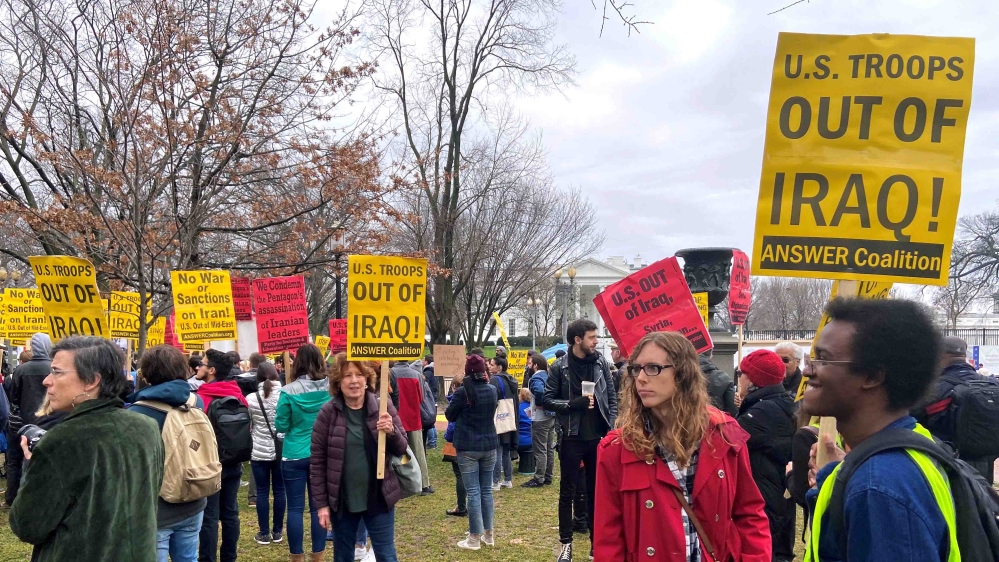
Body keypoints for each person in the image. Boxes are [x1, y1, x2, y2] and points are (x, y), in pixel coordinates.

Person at [593, 331, 771, 561]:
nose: (641, 378)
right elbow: (608, 538)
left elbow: (750, 514)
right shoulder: (617, 448)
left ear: (683, 373)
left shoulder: (724, 433)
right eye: (636, 369)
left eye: (653, 368)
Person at [803, 298, 955, 561]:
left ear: (872, 376)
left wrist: (862, 479)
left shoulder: (879, 487)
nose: (807, 370)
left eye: (823, 360)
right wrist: (844, 474)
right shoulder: (916, 444)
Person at [9, 336, 165, 562]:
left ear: (91, 380)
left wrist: (33, 467)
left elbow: (27, 525)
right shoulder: (146, 426)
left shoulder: (62, 441)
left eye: (57, 372)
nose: (46, 381)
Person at [311, 353, 409, 562]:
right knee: (343, 555)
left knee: (386, 554)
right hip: (343, 500)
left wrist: (391, 431)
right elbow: (317, 463)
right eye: (347, 375)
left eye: (358, 375)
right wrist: (321, 505)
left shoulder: (382, 407)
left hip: (378, 496)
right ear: (338, 381)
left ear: (367, 379)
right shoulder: (327, 413)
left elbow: (402, 448)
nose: (353, 381)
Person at [543, 319, 618, 562]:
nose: (597, 341)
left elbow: (612, 398)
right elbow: (546, 400)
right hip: (571, 438)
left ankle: (598, 544)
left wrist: (611, 428)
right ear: (578, 340)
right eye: (592, 337)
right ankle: (566, 545)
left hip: (598, 437)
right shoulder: (559, 368)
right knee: (568, 492)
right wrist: (571, 405)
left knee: (598, 493)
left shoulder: (601, 364)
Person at [129, 345, 211, 562]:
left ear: (146, 374)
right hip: (194, 495)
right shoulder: (196, 402)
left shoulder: (136, 414)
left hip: (156, 509)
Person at [737, 349, 797, 562]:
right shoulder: (781, 403)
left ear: (753, 380)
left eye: (741, 374)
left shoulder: (762, 412)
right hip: (780, 494)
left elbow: (725, 438)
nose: (739, 379)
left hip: (765, 498)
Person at [913, 335, 999, 484]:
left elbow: (911, 422)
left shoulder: (932, 389)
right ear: (964, 355)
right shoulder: (992, 385)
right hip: (984, 469)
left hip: (943, 466)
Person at [275, 344, 330, 561]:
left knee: (295, 509)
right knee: (319, 507)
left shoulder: (288, 391)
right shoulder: (331, 389)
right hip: (321, 454)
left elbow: (281, 425)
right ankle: (319, 555)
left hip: (294, 453)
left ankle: (296, 556)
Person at [195, 349, 249, 562]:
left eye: (203, 363)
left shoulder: (201, 398)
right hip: (234, 461)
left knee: (209, 517)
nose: (199, 366)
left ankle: (207, 558)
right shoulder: (238, 394)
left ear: (212, 370)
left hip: (210, 464)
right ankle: (229, 557)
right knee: (230, 513)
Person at [445, 354, 499, 550]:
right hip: (489, 444)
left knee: (474, 492)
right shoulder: (492, 390)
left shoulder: (462, 393)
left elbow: (450, 415)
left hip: (468, 446)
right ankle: (488, 534)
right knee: (486, 491)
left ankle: (474, 538)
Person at [4, 332, 51, 506]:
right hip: (47, 422)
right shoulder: (54, 368)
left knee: (14, 460)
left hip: (20, 422)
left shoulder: (21, 369)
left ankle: (11, 497)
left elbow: (13, 396)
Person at [247, 361, 285, 545]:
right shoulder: (286, 395)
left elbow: (249, 424)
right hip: (281, 449)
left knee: (262, 492)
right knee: (280, 490)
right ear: (277, 374)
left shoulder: (251, 398)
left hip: (258, 451)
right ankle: (277, 532)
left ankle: (263, 533)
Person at [389, 360, 433, 495]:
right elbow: (421, 398)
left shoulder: (390, 373)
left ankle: (399, 480)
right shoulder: (416, 374)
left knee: (397, 452)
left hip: (395, 418)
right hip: (413, 418)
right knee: (419, 452)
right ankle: (424, 484)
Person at [523, 353, 556, 488]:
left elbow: (540, 392)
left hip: (540, 418)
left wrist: (541, 402)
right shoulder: (549, 376)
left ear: (535, 365)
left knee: (540, 449)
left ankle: (539, 478)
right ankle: (548, 476)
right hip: (551, 416)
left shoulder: (536, 378)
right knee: (549, 447)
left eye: (530, 364)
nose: (528, 366)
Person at [489, 355, 519, 490]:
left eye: (492, 364)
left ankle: (495, 482)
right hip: (509, 418)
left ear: (499, 367)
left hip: (499, 418)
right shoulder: (511, 379)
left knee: (498, 450)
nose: (489, 366)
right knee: (505, 451)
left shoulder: (495, 379)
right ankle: (508, 479)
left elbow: (493, 399)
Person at [444, 373, 468, 517]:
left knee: (460, 475)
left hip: (457, 442)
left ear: (454, 387)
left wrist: (448, 437)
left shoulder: (455, 402)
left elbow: (452, 425)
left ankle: (461, 506)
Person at [701, 350, 737, 417]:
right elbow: (732, 410)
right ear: (711, 356)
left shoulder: (679, 375)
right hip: (716, 423)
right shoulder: (723, 378)